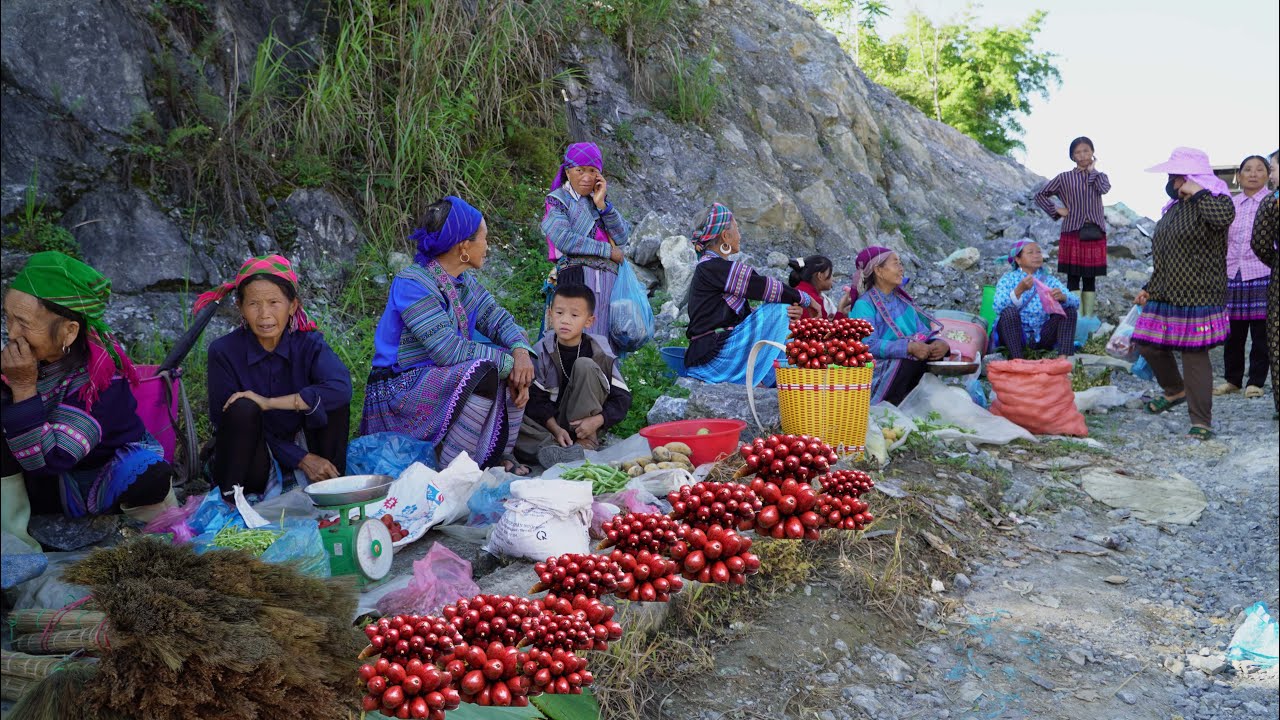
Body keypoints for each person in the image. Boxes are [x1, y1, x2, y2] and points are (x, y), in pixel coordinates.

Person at [1, 252, 175, 529]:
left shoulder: (101, 380)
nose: (11, 334)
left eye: (23, 322)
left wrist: (23, 386)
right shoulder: (31, 357)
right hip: (45, 477)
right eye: (8, 318)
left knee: (149, 476)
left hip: (97, 475)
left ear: (69, 332)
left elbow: (51, 459)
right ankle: (13, 531)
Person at [362, 196, 535, 473]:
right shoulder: (412, 284)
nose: (488, 247)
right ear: (464, 246)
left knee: (518, 358)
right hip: (399, 389)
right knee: (486, 369)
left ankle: (495, 454)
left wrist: (520, 352)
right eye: (484, 239)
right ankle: (452, 472)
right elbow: (447, 350)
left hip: (434, 378)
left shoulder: (464, 283)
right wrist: (510, 362)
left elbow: (500, 320)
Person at [198, 255, 352, 500]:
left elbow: (342, 389)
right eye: (254, 304)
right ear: (240, 307)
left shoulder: (309, 344)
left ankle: (330, 487)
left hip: (303, 441)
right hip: (253, 457)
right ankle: (232, 500)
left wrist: (268, 402)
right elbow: (226, 425)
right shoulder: (223, 352)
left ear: (292, 306)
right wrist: (299, 458)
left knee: (330, 399)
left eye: (274, 302)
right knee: (241, 408)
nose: (264, 315)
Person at [1134, 147, 1235, 439]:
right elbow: (1165, 254)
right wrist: (1149, 288)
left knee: (1193, 354)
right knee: (1147, 344)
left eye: (1174, 176)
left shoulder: (1216, 201)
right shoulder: (1173, 209)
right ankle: (1175, 389)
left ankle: (1201, 420)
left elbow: (1222, 219)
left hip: (1199, 293)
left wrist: (1200, 191)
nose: (1170, 181)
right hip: (1165, 290)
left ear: (1190, 176)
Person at [683, 203, 812, 386]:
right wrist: (805, 299)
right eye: (737, 229)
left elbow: (739, 314)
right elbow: (764, 286)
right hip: (713, 357)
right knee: (780, 308)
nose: (740, 235)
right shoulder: (712, 267)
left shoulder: (713, 269)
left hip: (711, 353)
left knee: (784, 318)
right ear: (726, 236)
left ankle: (772, 382)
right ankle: (766, 381)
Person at [516, 284, 632, 468]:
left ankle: (584, 444)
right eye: (559, 313)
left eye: (574, 315)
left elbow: (622, 398)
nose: (565, 320)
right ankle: (556, 448)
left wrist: (597, 421)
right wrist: (555, 429)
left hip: (585, 425)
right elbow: (537, 401)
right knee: (511, 411)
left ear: (589, 321)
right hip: (551, 425)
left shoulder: (599, 351)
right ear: (550, 314)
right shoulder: (541, 351)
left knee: (584, 365)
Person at [541, 142, 631, 340]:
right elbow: (564, 240)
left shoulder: (598, 202)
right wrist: (608, 251)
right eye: (579, 170)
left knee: (603, 344)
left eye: (592, 171)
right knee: (576, 341)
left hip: (608, 283)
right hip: (575, 278)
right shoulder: (557, 201)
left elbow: (623, 236)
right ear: (567, 171)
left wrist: (603, 205)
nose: (586, 177)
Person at [849, 247, 949, 405]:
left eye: (901, 263)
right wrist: (907, 348)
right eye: (896, 264)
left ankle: (917, 404)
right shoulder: (864, 305)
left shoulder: (902, 301)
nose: (901, 268)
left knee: (930, 352)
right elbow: (866, 345)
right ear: (879, 271)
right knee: (908, 358)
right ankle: (892, 406)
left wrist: (938, 343)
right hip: (876, 369)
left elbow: (922, 333)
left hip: (904, 363)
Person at [1216, 154, 1273, 398]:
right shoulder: (1230, 204)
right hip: (1233, 272)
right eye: (1247, 169)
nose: (1253, 173)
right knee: (1234, 333)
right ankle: (1233, 379)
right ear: (1239, 177)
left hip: (1263, 271)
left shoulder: (1272, 202)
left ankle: (1256, 382)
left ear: (1268, 176)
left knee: (1261, 332)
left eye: (1259, 169)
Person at [1034, 136, 1111, 317]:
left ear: (1093, 152)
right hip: (1072, 231)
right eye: (1077, 152)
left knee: (1090, 278)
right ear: (1072, 156)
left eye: (1086, 151)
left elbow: (1104, 189)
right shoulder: (1064, 178)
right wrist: (1056, 210)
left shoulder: (1100, 177)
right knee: (1073, 277)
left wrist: (1092, 171)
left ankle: (1087, 320)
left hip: (1094, 232)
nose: (1083, 155)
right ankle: (1074, 320)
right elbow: (1040, 195)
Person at [993, 240, 1080, 359]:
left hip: (1042, 335)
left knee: (1069, 310)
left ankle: (1063, 359)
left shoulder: (1049, 280)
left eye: (1039, 252)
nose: (1036, 256)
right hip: (1015, 335)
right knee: (1009, 313)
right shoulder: (1008, 279)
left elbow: (1076, 302)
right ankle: (1017, 359)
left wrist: (1063, 297)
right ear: (1018, 260)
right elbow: (998, 306)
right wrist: (1019, 290)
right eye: (1030, 252)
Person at [1250, 149, 1279, 418]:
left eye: (1272, 168)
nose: (1270, 175)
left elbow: (1259, 242)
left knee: (1277, 335)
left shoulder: (1272, 202)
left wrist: (1276, 261)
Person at [788, 255, 852, 319]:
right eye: (831, 274)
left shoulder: (796, 291)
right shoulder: (814, 301)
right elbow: (823, 328)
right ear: (820, 276)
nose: (833, 278)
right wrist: (841, 308)